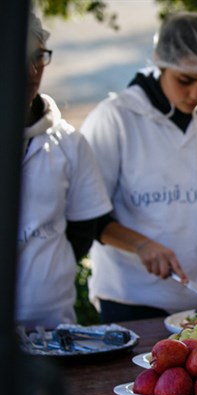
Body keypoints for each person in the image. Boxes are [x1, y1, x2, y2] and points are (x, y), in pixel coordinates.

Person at [80, 12, 197, 322]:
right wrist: (141, 245)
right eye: (185, 80)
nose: (196, 93)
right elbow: (88, 214)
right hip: (131, 298)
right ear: (160, 64)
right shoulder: (115, 117)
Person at [16, 12, 112, 329]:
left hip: (52, 323)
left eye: (39, 57)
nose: (32, 71)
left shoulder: (69, 142)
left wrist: (50, 270)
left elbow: (83, 227)